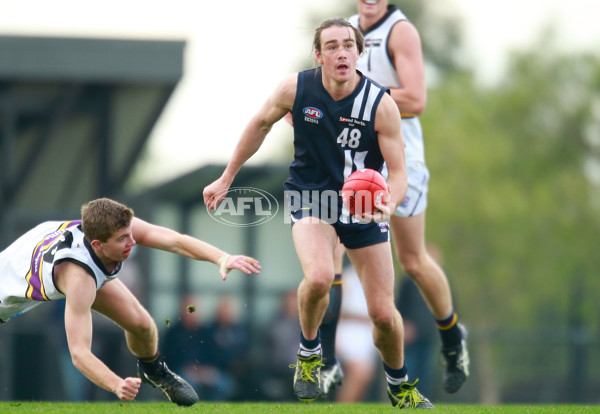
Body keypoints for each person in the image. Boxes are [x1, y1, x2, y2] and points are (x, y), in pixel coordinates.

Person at [204, 17, 433, 408]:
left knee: (383, 314)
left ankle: (399, 385)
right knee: (321, 277)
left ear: (360, 53)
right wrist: (226, 178)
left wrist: (387, 203)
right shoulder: (295, 88)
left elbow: (398, 175)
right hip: (312, 198)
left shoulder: (381, 105)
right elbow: (259, 124)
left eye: (348, 45)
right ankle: (309, 353)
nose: (341, 52)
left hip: (362, 208)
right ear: (319, 55)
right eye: (332, 46)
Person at [320, 0, 470, 396]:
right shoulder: (344, 29)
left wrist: (359, 94)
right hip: (358, 163)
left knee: (413, 260)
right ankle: (329, 359)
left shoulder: (400, 32)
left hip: (402, 161)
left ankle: (454, 341)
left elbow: (416, 99)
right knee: (331, 246)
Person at [0, 197, 261, 405]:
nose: (132, 242)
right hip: (5, 291)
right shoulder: (78, 277)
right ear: (97, 244)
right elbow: (79, 353)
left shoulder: (114, 230)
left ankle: (154, 370)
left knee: (142, 325)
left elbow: (175, 241)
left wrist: (221, 257)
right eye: (123, 239)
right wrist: (116, 384)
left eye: (130, 233)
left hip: (37, 256)